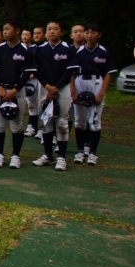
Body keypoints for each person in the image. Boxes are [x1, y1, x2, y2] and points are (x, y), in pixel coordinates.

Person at [0, 18, 36, 169]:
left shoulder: (26, 50)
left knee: (17, 124)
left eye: (8, 29)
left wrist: (15, 90)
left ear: (17, 30)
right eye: (4, 29)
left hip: (17, 90)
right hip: (0, 90)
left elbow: (27, 73)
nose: (4, 32)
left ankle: (15, 156)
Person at [32, 20, 77, 171]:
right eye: (49, 29)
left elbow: (70, 70)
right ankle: (48, 155)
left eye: (55, 29)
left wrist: (56, 87)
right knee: (45, 121)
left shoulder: (68, 49)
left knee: (62, 122)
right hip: (45, 87)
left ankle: (61, 157)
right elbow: (36, 70)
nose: (52, 31)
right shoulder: (40, 49)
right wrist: (47, 86)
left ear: (61, 31)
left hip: (62, 88)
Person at [70, 23, 117, 166]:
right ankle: (80, 151)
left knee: (94, 120)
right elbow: (71, 72)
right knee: (79, 120)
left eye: (93, 32)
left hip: (96, 82)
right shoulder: (78, 51)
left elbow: (109, 73)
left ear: (99, 35)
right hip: (80, 81)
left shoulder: (104, 52)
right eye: (87, 32)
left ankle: (92, 153)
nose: (89, 35)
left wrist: (101, 93)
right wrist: (73, 92)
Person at [21, 28, 40, 137]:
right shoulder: (20, 48)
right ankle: (32, 127)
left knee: (39, 103)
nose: (24, 37)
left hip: (34, 79)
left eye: (27, 35)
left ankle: (42, 128)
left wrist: (32, 73)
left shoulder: (35, 49)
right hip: (23, 80)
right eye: (23, 34)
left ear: (31, 37)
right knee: (31, 104)